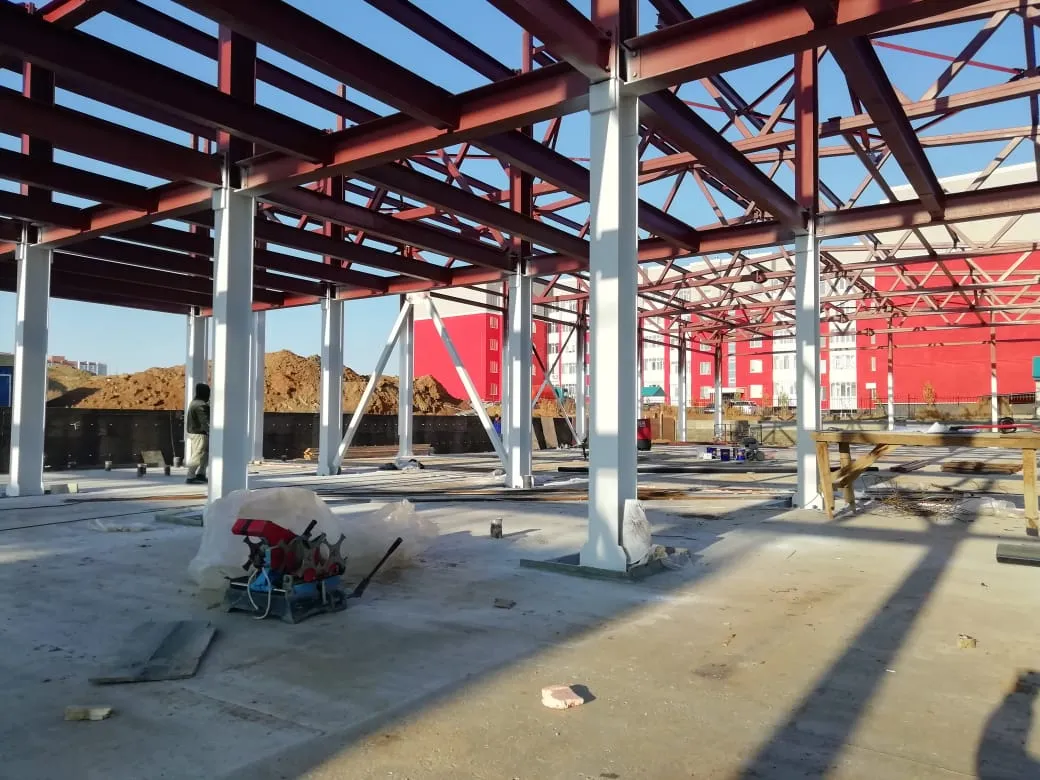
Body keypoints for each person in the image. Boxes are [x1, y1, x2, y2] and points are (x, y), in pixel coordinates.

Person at [185, 382, 210, 485]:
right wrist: (211, 431)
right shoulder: (201, 405)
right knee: (198, 454)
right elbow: (205, 421)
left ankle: (201, 474)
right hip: (199, 433)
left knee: (204, 454)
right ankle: (190, 476)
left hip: (196, 432)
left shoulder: (194, 402)